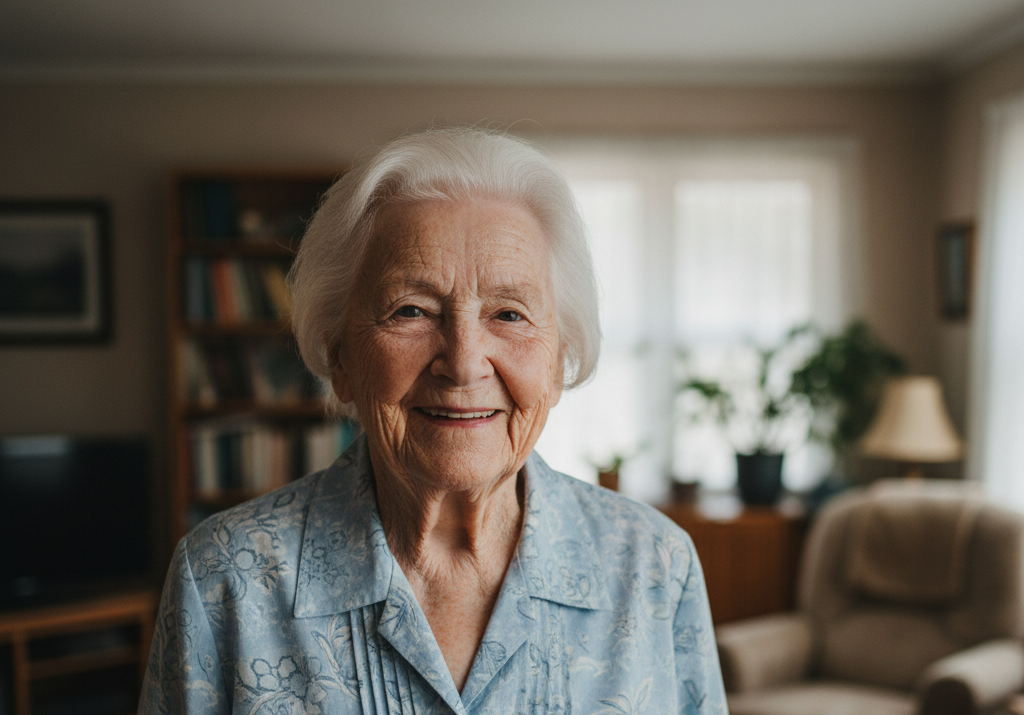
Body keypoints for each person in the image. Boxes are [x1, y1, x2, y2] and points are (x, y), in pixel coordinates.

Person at [139, 127, 727, 714]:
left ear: (558, 362)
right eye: (411, 310)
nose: (465, 363)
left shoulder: (654, 566)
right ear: (339, 356)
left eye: (509, 313)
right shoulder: (221, 581)